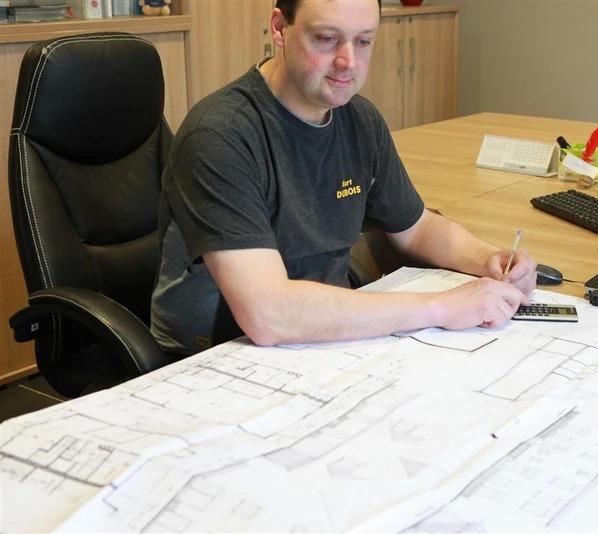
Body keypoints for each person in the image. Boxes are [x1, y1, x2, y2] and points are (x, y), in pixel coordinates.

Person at [150, 0, 538, 357]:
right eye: (326, 38)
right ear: (279, 28)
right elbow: (269, 315)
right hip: (217, 355)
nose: (348, 62)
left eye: (364, 41)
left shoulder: (360, 120)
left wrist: (488, 259)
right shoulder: (221, 135)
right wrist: (440, 307)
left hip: (322, 336)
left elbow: (416, 227)